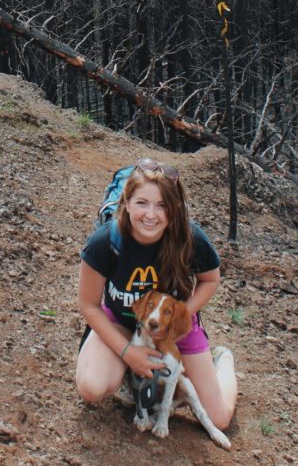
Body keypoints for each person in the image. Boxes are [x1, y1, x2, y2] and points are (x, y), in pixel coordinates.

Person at [76, 159, 237, 431]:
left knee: (219, 419)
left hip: (175, 325)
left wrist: (183, 315)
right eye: (142, 203)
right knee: (92, 388)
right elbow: (88, 305)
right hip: (123, 321)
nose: (151, 214)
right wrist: (128, 353)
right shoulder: (105, 242)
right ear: (126, 202)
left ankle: (221, 359)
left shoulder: (189, 237)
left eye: (162, 205)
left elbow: (210, 279)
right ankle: (131, 369)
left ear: (174, 210)